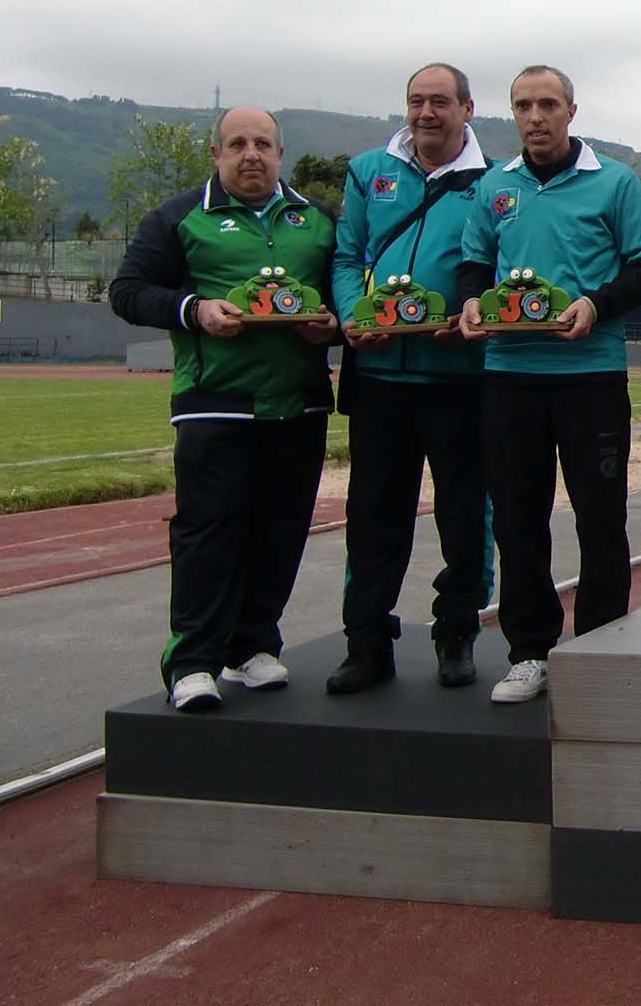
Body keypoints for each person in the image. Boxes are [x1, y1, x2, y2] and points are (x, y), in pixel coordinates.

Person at [109, 107, 338, 713]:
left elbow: (343, 294)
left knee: (282, 528)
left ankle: (253, 644)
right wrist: (196, 310)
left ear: (281, 153)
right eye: (237, 144)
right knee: (210, 533)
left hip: (300, 403)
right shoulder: (178, 216)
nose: (251, 154)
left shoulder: (317, 219)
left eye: (263, 143)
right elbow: (127, 292)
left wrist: (333, 326)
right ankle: (193, 661)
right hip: (216, 404)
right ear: (216, 154)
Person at [455, 66, 641, 703]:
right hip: (510, 376)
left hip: (590, 377)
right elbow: (473, 263)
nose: (535, 117)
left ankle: (602, 644)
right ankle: (529, 651)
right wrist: (471, 303)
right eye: (523, 105)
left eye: (547, 104)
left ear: (571, 111)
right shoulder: (495, 185)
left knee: (600, 515)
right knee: (518, 519)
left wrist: (596, 305)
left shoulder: (615, 181)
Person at [325, 62, 493, 695]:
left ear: (467, 110)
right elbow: (347, 256)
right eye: (417, 101)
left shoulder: (493, 180)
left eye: (441, 102)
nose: (427, 113)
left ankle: (457, 631)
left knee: (465, 516)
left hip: (459, 376)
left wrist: (471, 316)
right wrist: (353, 316)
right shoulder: (368, 171)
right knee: (373, 516)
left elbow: (496, 264)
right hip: (378, 378)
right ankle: (367, 642)